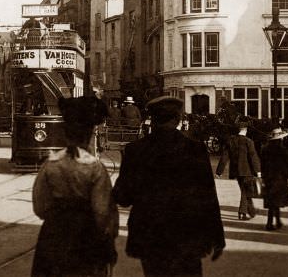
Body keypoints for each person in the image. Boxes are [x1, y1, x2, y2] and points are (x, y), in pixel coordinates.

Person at [113, 96, 224, 276]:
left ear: (152, 120)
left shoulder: (135, 150)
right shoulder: (195, 149)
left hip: (150, 235)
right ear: (178, 119)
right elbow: (208, 196)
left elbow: (123, 197)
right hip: (187, 233)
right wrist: (217, 237)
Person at [31, 95, 118, 277]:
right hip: (86, 237)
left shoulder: (51, 164)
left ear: (65, 133)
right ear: (89, 134)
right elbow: (102, 213)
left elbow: (40, 206)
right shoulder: (95, 168)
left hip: (53, 236)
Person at [216, 116, 261, 221]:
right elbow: (253, 157)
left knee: (245, 190)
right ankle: (242, 213)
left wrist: (219, 171)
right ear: (245, 130)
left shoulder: (231, 141)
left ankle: (252, 211)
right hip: (247, 171)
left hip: (236, 171)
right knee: (246, 191)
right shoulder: (248, 141)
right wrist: (258, 171)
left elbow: (224, 157)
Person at [261, 127, 288, 231]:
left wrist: (263, 176)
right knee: (275, 201)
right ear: (280, 139)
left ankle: (277, 221)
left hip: (268, 178)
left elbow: (262, 164)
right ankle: (270, 223)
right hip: (279, 178)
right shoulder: (282, 149)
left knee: (272, 201)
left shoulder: (265, 148)